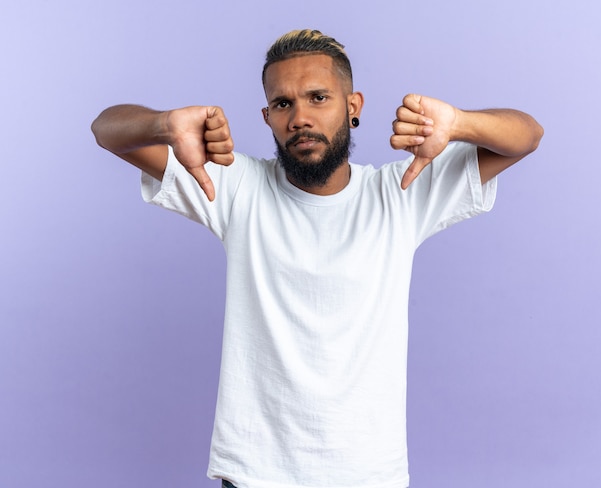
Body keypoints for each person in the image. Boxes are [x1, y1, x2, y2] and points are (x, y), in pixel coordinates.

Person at [92, 29, 543, 488]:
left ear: (353, 106)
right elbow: (106, 130)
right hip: (254, 475)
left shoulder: (402, 192)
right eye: (283, 104)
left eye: (319, 97)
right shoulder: (235, 186)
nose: (300, 118)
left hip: (368, 476)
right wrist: (164, 124)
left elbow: (527, 135)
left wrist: (459, 124)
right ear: (267, 117)